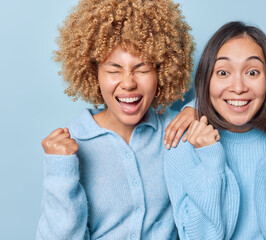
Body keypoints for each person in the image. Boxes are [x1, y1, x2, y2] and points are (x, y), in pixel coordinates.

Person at [36, 0, 195, 239]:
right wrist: (60, 172)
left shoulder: (176, 129)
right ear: (93, 73)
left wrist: (196, 109)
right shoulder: (72, 143)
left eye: (142, 69)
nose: (129, 82)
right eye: (114, 70)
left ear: (162, 73)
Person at [164, 21, 266, 240]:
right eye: (223, 72)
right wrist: (212, 163)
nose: (239, 87)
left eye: (252, 72)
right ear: (206, 80)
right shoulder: (184, 139)